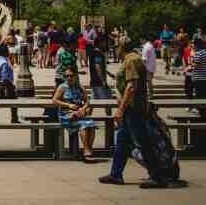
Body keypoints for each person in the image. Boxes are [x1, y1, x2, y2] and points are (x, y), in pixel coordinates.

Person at [99, 47, 181, 188]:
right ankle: (116, 174)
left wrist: (120, 109)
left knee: (143, 142)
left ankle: (157, 177)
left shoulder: (132, 60)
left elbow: (132, 86)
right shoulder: (130, 59)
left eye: (116, 47)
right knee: (122, 140)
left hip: (133, 110)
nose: (114, 51)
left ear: (121, 47)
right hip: (131, 110)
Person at [53, 68, 97, 162]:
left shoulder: (80, 87)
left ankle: (89, 149)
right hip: (66, 115)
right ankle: (86, 150)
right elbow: (55, 100)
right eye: (67, 76)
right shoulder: (62, 87)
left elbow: (87, 101)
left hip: (80, 114)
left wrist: (83, 108)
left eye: (71, 75)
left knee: (91, 125)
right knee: (84, 125)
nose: (69, 78)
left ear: (75, 76)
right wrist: (69, 105)